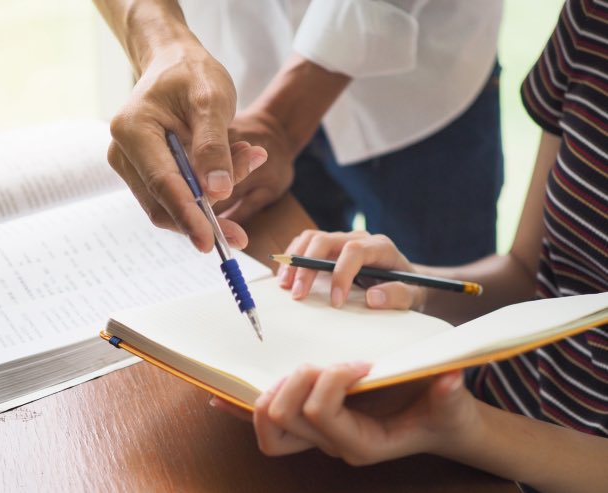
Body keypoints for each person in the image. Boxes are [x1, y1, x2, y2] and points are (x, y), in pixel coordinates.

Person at [211, 2, 608, 491]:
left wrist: (464, 430)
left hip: (485, 447)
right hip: (473, 427)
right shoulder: (592, 18)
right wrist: (412, 285)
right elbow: (529, 275)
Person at [93, 0, 503, 265]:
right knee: (292, 308)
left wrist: (280, 123)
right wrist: (163, 44)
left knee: (445, 329)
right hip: (238, 82)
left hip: (419, 92)